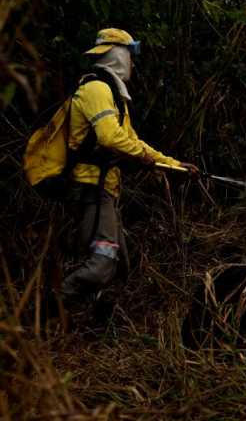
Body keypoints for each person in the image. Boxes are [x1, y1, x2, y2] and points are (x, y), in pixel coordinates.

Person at [42, 29, 199, 301]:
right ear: (117, 55)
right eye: (130, 56)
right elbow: (110, 137)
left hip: (105, 190)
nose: (133, 64)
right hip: (91, 188)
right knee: (103, 265)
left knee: (121, 269)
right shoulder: (96, 89)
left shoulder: (113, 96)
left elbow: (132, 141)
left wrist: (175, 166)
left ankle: (89, 330)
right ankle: (44, 309)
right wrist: (141, 157)